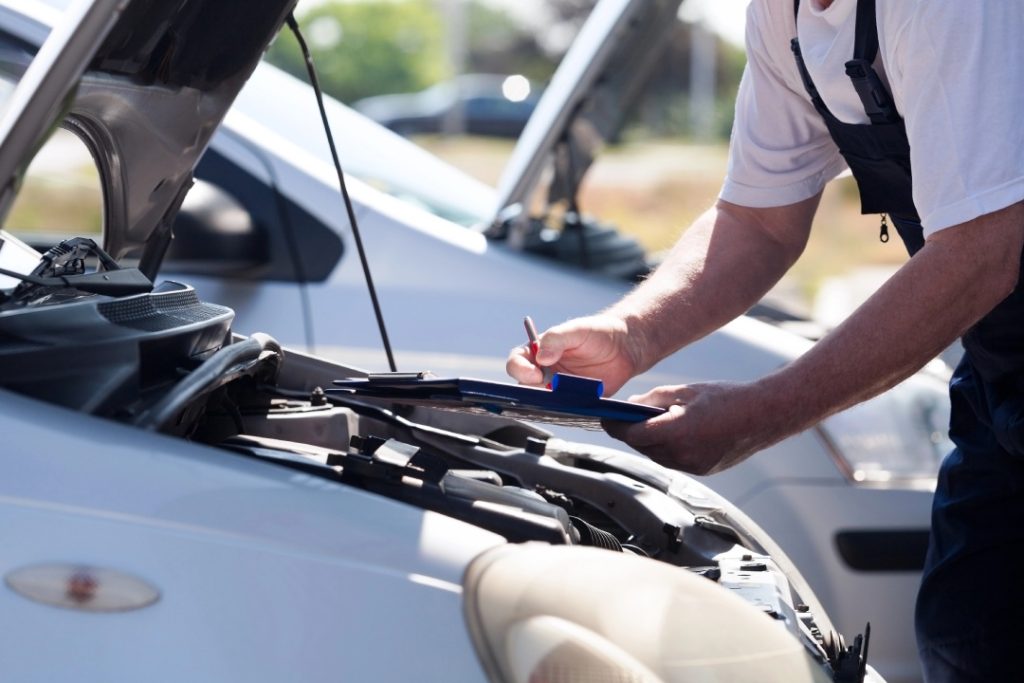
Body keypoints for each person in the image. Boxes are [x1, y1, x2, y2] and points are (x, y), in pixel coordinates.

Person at [506, 1, 1024, 681]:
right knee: (970, 633)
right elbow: (759, 220)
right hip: (1001, 383)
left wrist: (759, 415)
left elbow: (985, 249)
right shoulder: (784, 17)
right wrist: (630, 334)